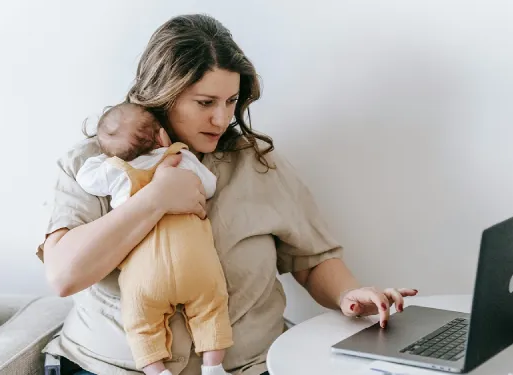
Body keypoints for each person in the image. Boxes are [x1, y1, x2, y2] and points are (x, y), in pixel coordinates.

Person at [38, 13, 418, 375]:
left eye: (231, 102)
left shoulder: (257, 164)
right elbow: (63, 275)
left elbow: (312, 259)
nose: (221, 119)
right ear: (162, 94)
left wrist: (350, 295)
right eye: (205, 103)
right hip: (110, 367)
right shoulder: (93, 166)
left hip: (249, 366)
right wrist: (154, 200)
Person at [75, 102, 233, 375]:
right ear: (162, 136)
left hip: (145, 274)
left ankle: (157, 371)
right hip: (195, 263)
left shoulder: (117, 171)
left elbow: (86, 178)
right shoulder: (181, 157)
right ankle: (213, 366)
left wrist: (106, 157)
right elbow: (209, 185)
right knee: (212, 308)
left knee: (139, 323)